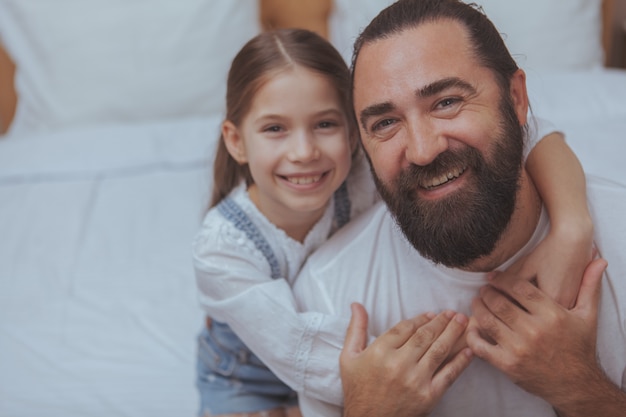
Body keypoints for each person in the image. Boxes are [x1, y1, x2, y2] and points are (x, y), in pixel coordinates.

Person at [193, 25, 595, 417]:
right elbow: (302, 351)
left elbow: (532, 135)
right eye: (275, 129)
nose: (304, 152)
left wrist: (572, 227)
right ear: (235, 141)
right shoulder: (221, 252)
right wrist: (442, 352)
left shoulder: (368, 171)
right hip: (245, 374)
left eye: (325, 124)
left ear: (354, 134)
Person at [292, 0, 626, 416]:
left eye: (447, 102)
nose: (422, 150)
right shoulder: (326, 294)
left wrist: (580, 387)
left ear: (517, 99)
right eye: (385, 123)